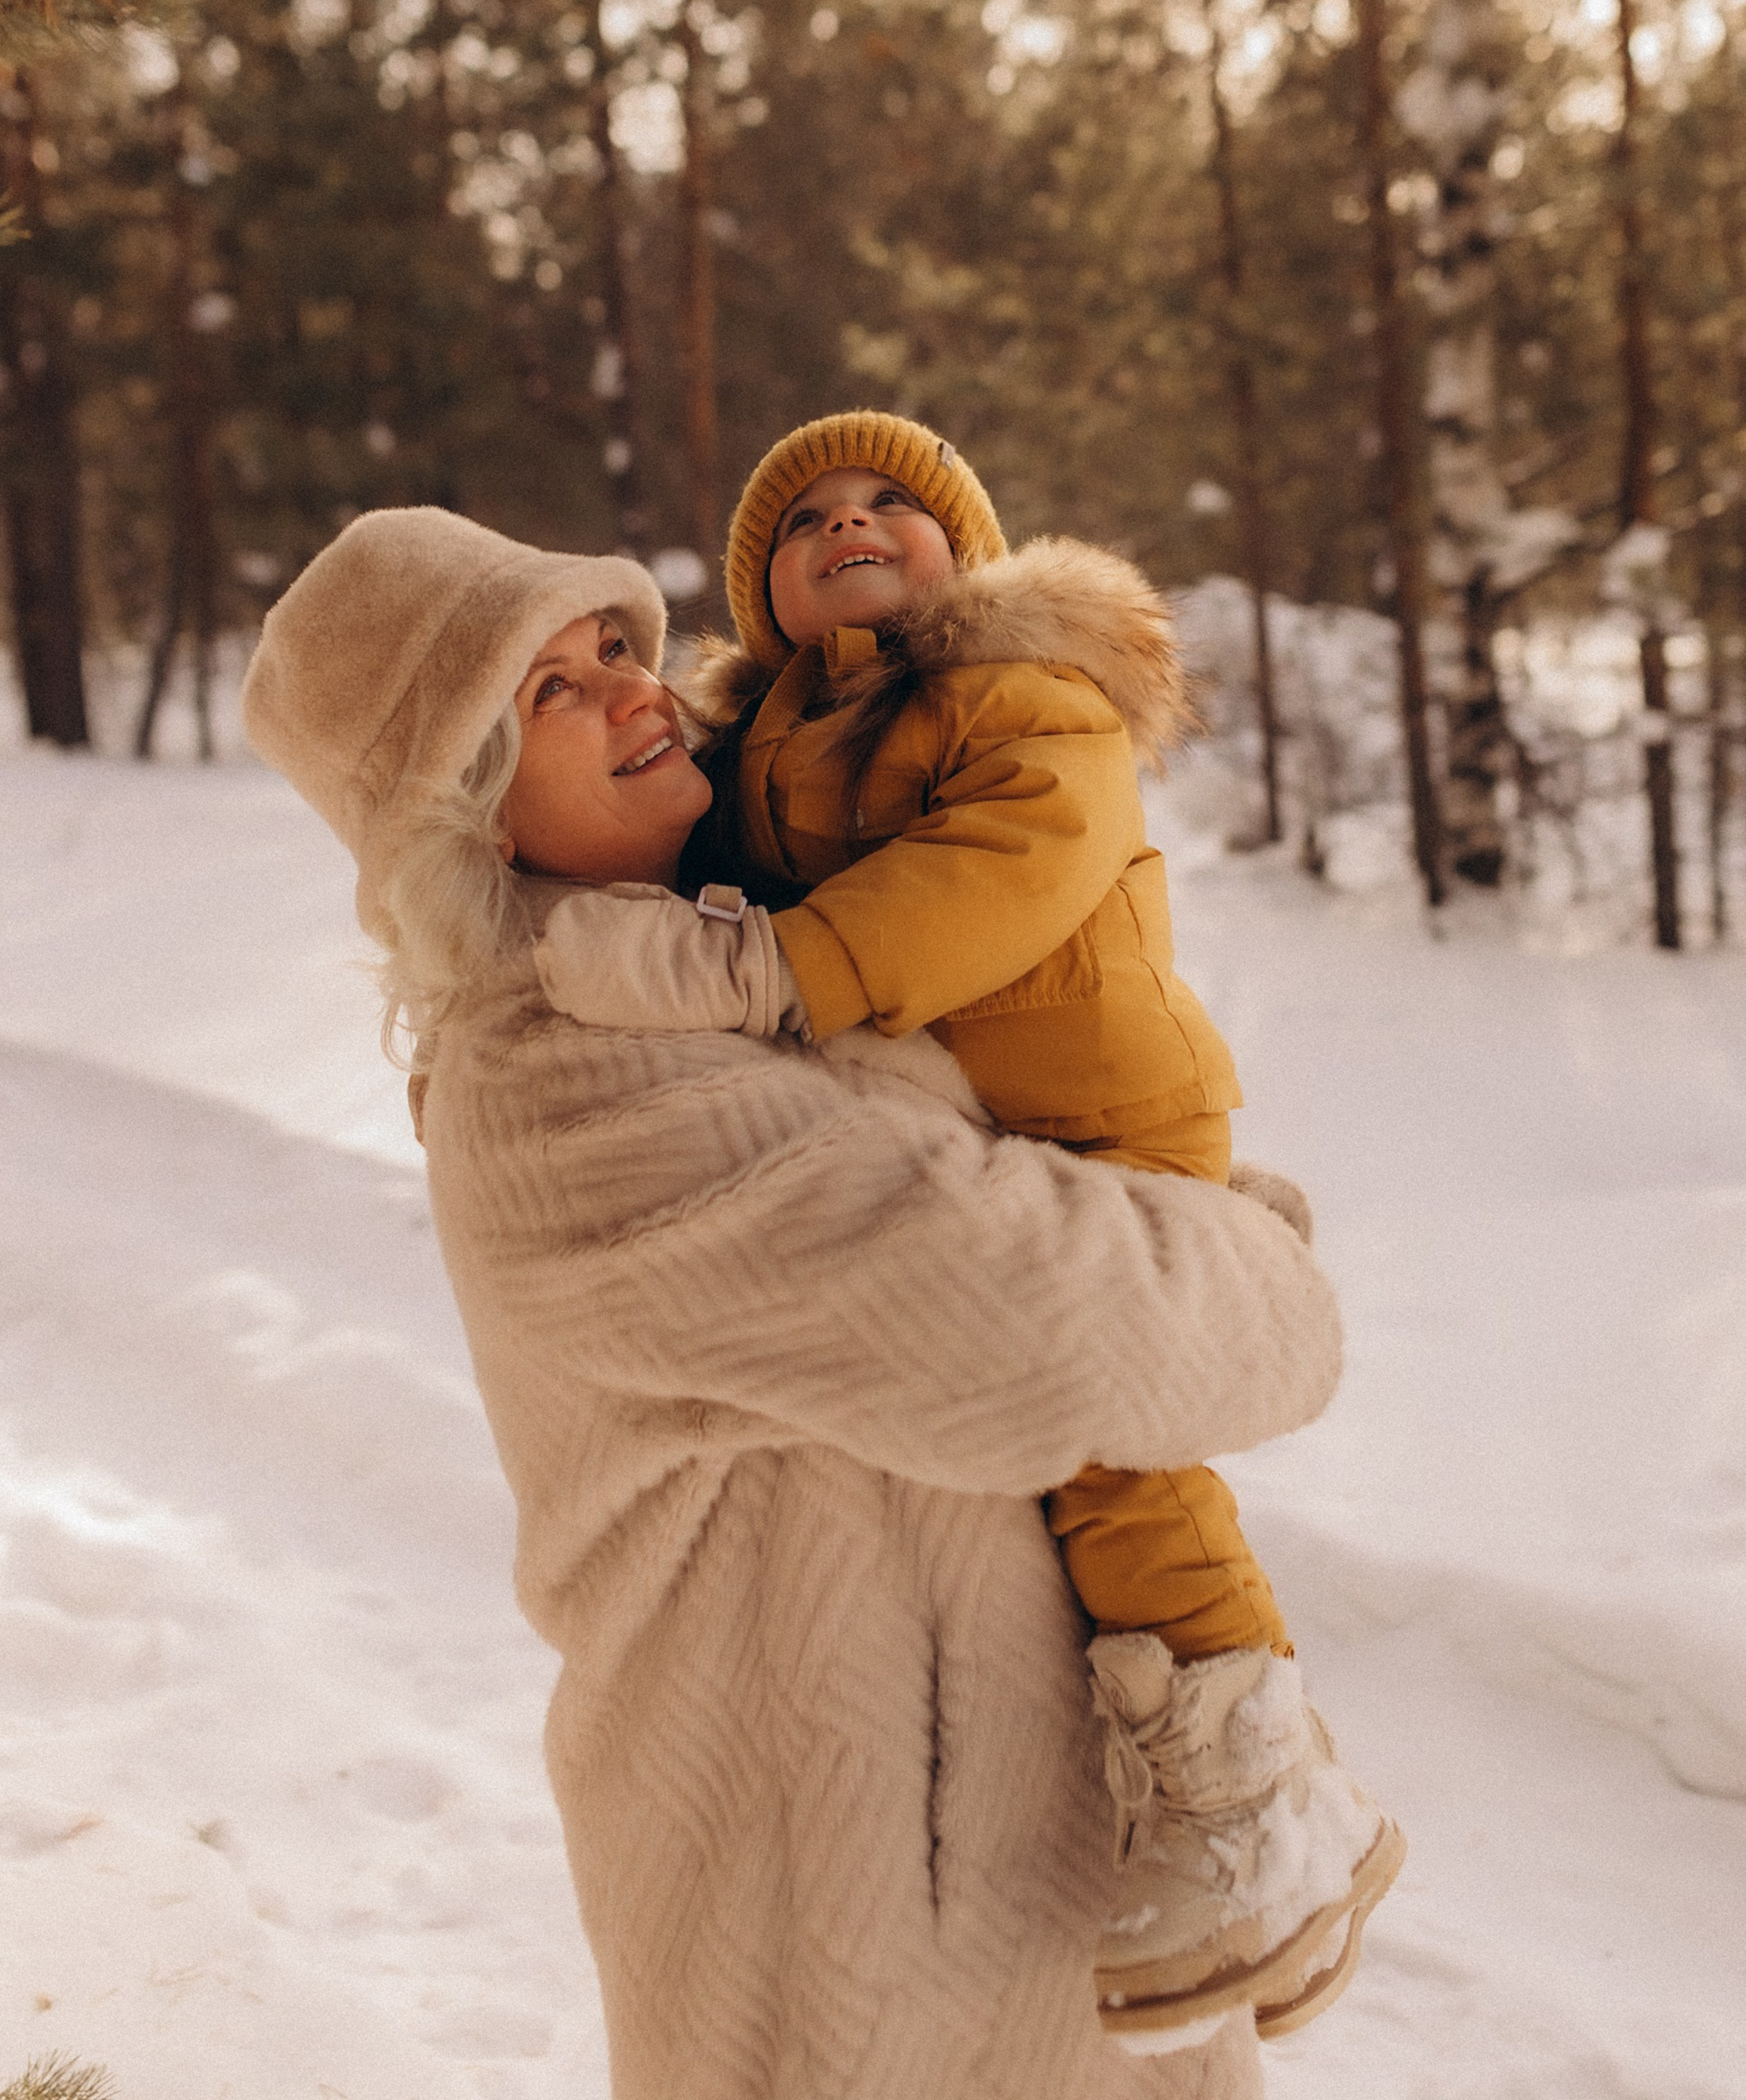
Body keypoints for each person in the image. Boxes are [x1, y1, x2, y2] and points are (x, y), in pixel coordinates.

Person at [239, 504, 1349, 2100]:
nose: (633, 688)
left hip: (1000, 1864)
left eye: (617, 644)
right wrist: (1259, 1259)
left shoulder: (740, 966)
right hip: (838, 1927)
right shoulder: (566, 1088)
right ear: (464, 809)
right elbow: (1061, 1328)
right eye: (549, 689)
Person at [531, 413, 1402, 2041]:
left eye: (888, 505)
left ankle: (1253, 1792)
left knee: (1117, 1461)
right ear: (764, 595)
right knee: (1073, 1464)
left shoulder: (1014, 687)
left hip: (1091, 1090)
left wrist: (766, 973)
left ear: (965, 553)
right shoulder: (778, 734)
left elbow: (999, 873)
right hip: (974, 1105)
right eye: (801, 523)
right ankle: (1189, 1769)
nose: (846, 525)